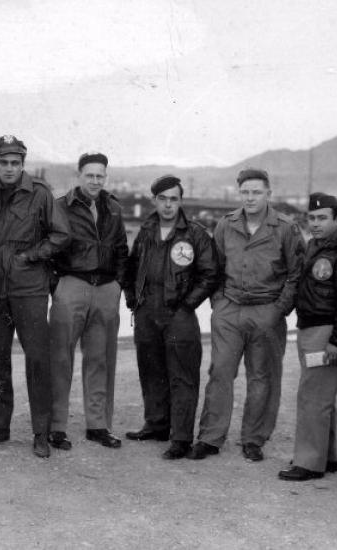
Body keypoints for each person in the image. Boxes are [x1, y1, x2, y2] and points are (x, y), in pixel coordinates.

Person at [188, 168, 304, 462]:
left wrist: (278, 310)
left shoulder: (286, 229)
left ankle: (254, 439)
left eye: (257, 192)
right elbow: (214, 266)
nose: (250, 198)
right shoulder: (226, 225)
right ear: (239, 193)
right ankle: (210, 437)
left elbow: (295, 274)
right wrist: (218, 303)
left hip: (267, 311)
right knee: (220, 372)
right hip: (229, 309)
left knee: (262, 377)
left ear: (269, 194)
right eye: (246, 192)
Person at [0, 135, 70, 458]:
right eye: (3, 162)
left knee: (38, 360)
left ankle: (41, 431)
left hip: (29, 288)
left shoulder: (40, 195)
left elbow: (61, 235)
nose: (9, 168)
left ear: (23, 164)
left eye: (15, 163)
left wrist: (31, 256)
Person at [123, 175, 218, 459]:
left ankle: (180, 438)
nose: (168, 205)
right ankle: (156, 424)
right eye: (162, 199)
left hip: (179, 314)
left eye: (173, 199)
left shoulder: (195, 234)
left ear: (180, 201)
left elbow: (210, 273)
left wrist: (188, 305)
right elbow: (129, 269)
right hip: (146, 311)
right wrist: (132, 300)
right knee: (150, 370)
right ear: (154, 200)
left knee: (182, 376)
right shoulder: (146, 231)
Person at [48, 152, 129, 449]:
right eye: (90, 175)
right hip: (72, 285)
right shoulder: (60, 207)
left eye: (100, 175)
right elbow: (48, 249)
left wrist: (118, 285)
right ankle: (56, 426)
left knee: (100, 358)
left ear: (105, 177)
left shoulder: (114, 208)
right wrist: (57, 286)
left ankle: (98, 425)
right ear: (78, 175)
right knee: (60, 358)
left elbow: (121, 248)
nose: (95, 180)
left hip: (106, 288)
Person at [278, 192, 337, 481]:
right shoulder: (314, 247)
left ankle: (309, 463)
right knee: (323, 397)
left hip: (326, 332)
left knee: (312, 398)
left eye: (323, 218)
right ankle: (327, 456)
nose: (316, 223)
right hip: (309, 328)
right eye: (311, 218)